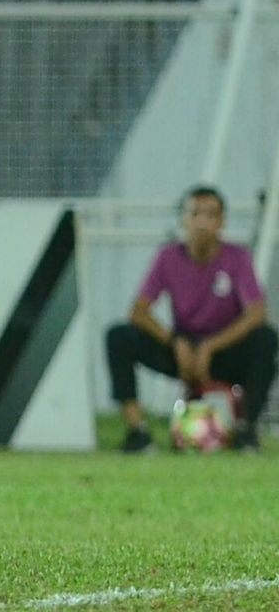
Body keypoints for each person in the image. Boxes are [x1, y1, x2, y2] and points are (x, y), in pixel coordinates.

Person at [108, 187, 274, 453]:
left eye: (211, 215)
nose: (202, 222)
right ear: (183, 220)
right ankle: (138, 432)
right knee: (118, 336)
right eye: (195, 213)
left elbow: (256, 313)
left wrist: (210, 347)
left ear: (222, 222)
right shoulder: (168, 257)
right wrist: (176, 343)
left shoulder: (238, 258)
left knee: (266, 338)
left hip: (224, 350)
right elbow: (139, 310)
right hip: (182, 351)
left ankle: (246, 432)